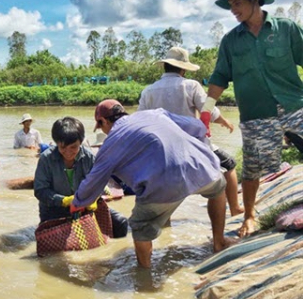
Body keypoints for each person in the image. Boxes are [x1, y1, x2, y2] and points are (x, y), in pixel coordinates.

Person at [72, 100, 236, 268]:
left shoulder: (110, 144)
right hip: (202, 168)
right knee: (218, 188)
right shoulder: (155, 113)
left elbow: (93, 182)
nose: (104, 132)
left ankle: (145, 276)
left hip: (163, 186)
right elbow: (197, 127)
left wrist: (77, 202)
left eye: (101, 128)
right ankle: (219, 242)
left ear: (103, 122)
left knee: (140, 227)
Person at [201, 0, 303, 237]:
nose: (233, 10)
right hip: (256, 113)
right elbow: (219, 78)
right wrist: (205, 112)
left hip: (294, 104)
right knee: (252, 167)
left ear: (255, 0)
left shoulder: (286, 28)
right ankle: (249, 215)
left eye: (237, 3)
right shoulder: (231, 41)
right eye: (231, 5)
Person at [138, 46, 243, 216]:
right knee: (229, 164)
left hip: (163, 151)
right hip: (193, 147)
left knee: (164, 197)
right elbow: (209, 111)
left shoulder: (148, 91)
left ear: (165, 66)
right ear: (183, 69)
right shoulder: (191, 86)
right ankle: (235, 208)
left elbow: (141, 122)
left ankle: (166, 228)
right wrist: (225, 122)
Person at [34, 116, 128, 237]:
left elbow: (97, 184)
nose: (68, 152)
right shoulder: (46, 159)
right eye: (63, 147)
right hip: (54, 209)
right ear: (56, 143)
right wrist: (64, 201)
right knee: (52, 238)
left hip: (84, 207)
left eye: (73, 147)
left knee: (121, 223)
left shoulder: (89, 157)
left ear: (81, 141)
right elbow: (40, 191)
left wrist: (93, 199)